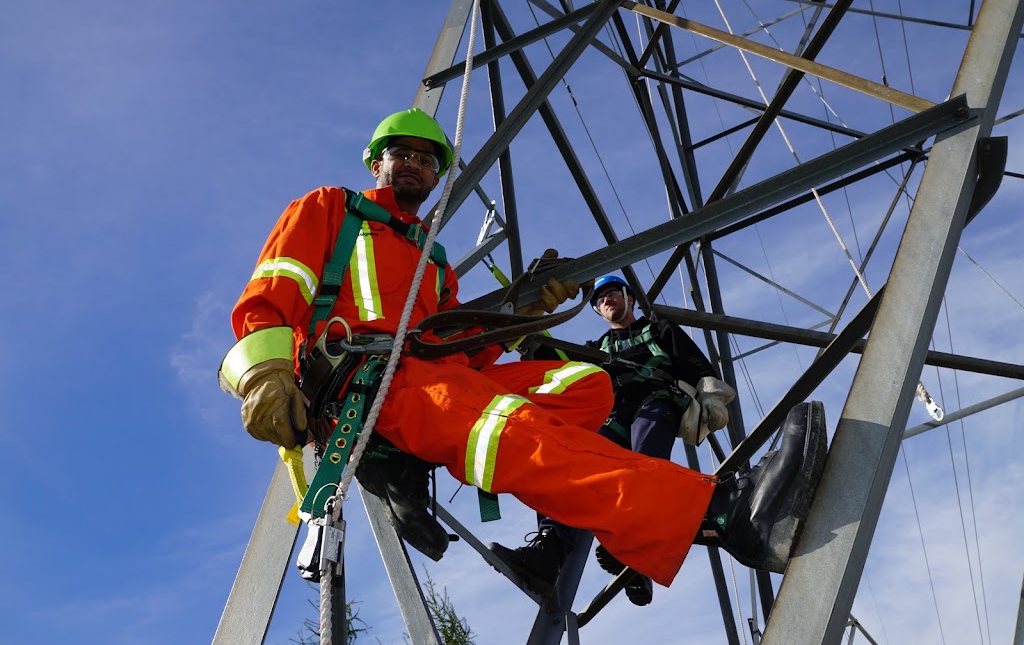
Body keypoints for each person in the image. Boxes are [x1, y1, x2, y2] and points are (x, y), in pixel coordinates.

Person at [218, 107, 825, 595]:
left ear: (437, 178)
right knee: (513, 428)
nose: (413, 165)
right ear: (376, 162)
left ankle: (613, 514)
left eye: (427, 160)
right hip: (370, 388)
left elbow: (461, 351)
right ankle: (723, 514)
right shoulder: (331, 209)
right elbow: (274, 288)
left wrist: (520, 316)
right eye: (400, 154)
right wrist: (264, 374)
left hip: (438, 379)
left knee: (587, 387)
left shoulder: (435, 263)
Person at [489, 275, 736, 604]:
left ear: (629, 298)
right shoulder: (596, 350)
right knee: (576, 468)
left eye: (612, 295)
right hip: (614, 413)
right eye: (600, 299)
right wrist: (527, 335)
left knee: (642, 465)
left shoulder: (659, 331)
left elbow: (693, 362)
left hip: (655, 401)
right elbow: (561, 360)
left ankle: (636, 557)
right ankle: (549, 550)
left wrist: (711, 396)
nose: (607, 300)